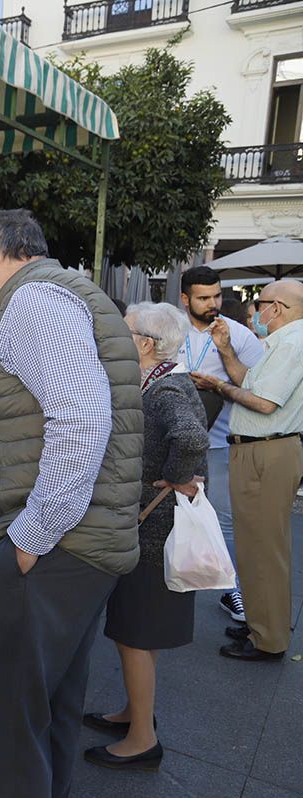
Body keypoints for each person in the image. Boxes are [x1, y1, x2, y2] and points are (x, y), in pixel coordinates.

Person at [0, 209, 143, 797]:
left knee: (4, 723)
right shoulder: (60, 296)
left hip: (54, 550)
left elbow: (80, 420)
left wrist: (30, 537)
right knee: (43, 713)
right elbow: (38, 421)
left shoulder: (33, 301)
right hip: (80, 547)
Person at [83, 302, 209, 772]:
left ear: (145, 344)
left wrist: (176, 476)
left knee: (135, 633)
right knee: (139, 632)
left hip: (153, 532)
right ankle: (134, 714)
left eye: (126, 329)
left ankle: (142, 739)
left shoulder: (165, 390)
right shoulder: (167, 380)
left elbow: (192, 438)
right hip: (153, 531)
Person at [193, 279, 303, 661]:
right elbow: (249, 381)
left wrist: (217, 387)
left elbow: (263, 403)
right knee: (256, 547)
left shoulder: (291, 344)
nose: (254, 310)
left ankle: (268, 638)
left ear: (280, 308)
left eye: (260, 302)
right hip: (260, 452)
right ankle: (260, 622)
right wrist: (224, 351)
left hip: (267, 451)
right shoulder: (280, 343)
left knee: (263, 550)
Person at [177, 265, 264, 624]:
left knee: (225, 518)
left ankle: (232, 589)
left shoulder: (239, 335)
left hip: (218, 440)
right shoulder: (169, 326)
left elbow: (256, 388)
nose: (212, 304)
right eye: (203, 298)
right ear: (185, 299)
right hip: (173, 435)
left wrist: (225, 356)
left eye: (216, 296)